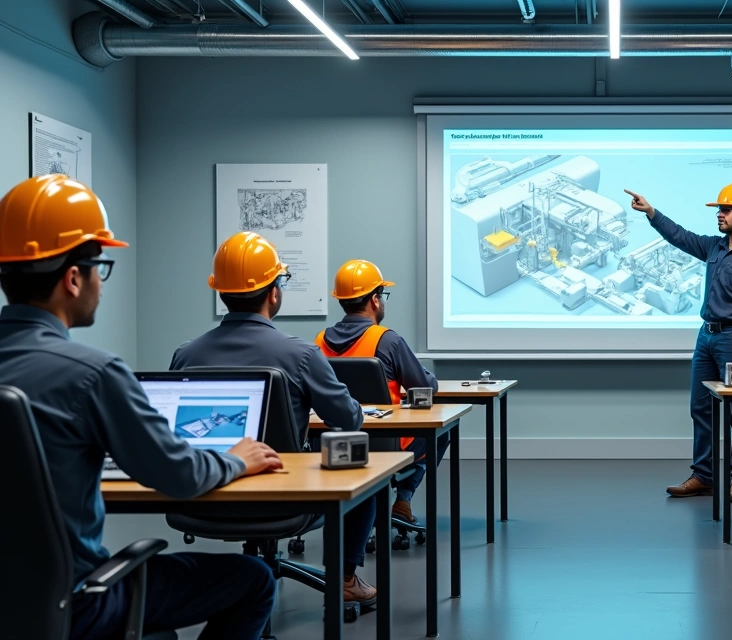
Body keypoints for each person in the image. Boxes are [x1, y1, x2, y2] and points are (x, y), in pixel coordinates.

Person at [0, 175, 280, 640]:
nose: (101, 283)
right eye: (100, 268)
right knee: (254, 580)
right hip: (76, 605)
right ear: (73, 279)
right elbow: (179, 475)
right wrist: (235, 460)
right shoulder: (93, 373)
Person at [169, 232, 378, 610]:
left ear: (221, 291)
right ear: (274, 292)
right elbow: (349, 419)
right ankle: (345, 578)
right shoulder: (301, 354)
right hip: (284, 502)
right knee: (368, 476)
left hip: (199, 497)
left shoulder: (185, 355)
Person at [625, 184, 732, 503]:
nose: (719, 214)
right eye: (718, 210)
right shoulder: (713, 247)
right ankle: (704, 476)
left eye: (726, 209)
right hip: (706, 336)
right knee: (700, 408)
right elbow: (679, 236)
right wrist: (652, 213)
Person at [316, 258, 449, 525]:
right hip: (386, 443)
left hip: (334, 444)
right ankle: (404, 498)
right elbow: (425, 387)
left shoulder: (320, 341)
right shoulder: (387, 340)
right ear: (375, 300)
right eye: (382, 295)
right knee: (441, 432)